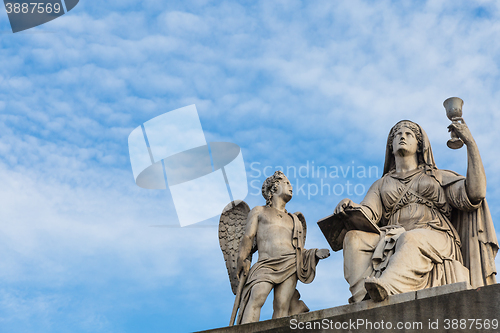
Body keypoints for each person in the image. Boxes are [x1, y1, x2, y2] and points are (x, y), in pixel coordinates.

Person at [334, 119, 498, 303]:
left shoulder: (437, 176)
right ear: (391, 145)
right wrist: (351, 206)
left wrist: (470, 144)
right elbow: (368, 213)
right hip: (392, 236)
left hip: (436, 236)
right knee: (354, 238)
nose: (402, 136)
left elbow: (475, 193)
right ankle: (363, 297)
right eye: (397, 135)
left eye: (408, 134)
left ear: (420, 145)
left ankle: (388, 286)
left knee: (410, 237)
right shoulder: (381, 184)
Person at [236, 171, 330, 324]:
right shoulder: (259, 211)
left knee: (282, 304)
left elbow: (298, 249)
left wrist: (314, 254)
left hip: (290, 263)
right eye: (286, 183)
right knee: (257, 297)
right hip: (265, 264)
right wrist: (242, 258)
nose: (291, 186)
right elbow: (248, 237)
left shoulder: (294, 219)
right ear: (274, 187)